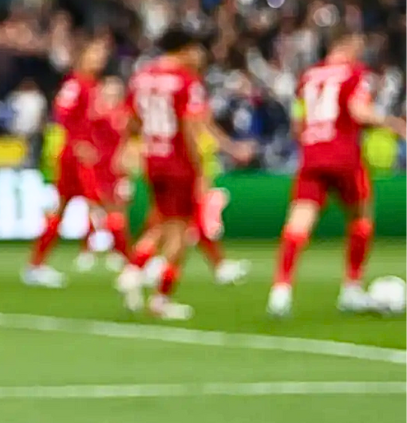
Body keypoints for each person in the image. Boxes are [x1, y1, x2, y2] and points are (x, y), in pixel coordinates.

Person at [267, 32, 407, 318]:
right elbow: (359, 112)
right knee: (361, 219)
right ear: (346, 45)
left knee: (298, 224)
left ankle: (280, 291)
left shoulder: (308, 76)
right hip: (344, 156)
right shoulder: (354, 73)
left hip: (312, 156)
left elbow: (297, 124)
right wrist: (392, 123)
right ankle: (351, 289)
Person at [114, 30, 250, 320]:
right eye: (197, 49)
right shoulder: (187, 81)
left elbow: (133, 119)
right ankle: (160, 297)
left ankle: (134, 269)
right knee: (179, 232)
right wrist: (199, 165)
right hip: (178, 163)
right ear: (185, 49)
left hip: (154, 159)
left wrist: (130, 147)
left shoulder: (142, 76)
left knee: (161, 224)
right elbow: (190, 126)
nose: (200, 56)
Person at [23, 36, 110, 288]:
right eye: (95, 54)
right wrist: (78, 143)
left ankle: (37, 265)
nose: (100, 59)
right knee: (99, 202)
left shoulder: (92, 85)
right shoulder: (75, 84)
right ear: (82, 57)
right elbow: (63, 114)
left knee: (63, 209)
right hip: (75, 157)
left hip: (82, 155)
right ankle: (130, 262)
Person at [73, 75, 133, 273]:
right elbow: (81, 133)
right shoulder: (95, 112)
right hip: (96, 166)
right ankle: (87, 249)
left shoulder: (125, 113)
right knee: (95, 208)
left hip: (116, 168)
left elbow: (129, 139)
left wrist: (127, 162)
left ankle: (118, 250)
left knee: (118, 210)